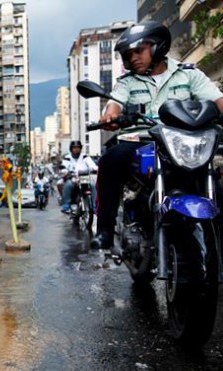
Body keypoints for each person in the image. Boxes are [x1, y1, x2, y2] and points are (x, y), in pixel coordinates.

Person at [91, 21, 223, 250]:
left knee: (216, 188)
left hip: (184, 146)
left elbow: (217, 101)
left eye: (138, 51)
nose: (133, 58)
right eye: (128, 54)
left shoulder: (189, 75)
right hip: (141, 144)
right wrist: (110, 117)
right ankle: (104, 230)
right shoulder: (127, 82)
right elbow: (114, 105)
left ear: (158, 47)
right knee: (110, 160)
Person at [60, 140, 98, 214]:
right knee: (68, 184)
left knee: (93, 185)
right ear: (71, 149)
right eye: (74, 148)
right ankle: (66, 205)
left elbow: (93, 165)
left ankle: (94, 206)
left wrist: (96, 169)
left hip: (84, 177)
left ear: (80, 148)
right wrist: (65, 172)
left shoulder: (85, 157)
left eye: (78, 147)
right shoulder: (67, 158)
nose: (76, 149)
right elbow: (63, 168)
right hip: (73, 178)